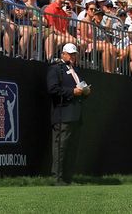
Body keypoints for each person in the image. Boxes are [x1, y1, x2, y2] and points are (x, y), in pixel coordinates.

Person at [47, 42, 90, 186]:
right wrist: (72, 92)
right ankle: (57, 178)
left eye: (74, 54)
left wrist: (85, 92)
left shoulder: (75, 71)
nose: (72, 57)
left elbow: (79, 90)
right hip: (63, 114)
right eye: (70, 54)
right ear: (63, 54)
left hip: (76, 115)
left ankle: (68, 178)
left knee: (72, 149)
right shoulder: (55, 69)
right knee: (60, 147)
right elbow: (53, 89)